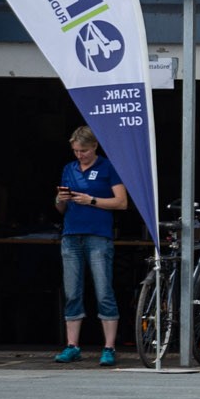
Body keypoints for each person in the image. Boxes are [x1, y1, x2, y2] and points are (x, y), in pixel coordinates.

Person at [55, 125, 130, 365]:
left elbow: (121, 203)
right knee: (72, 291)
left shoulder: (108, 167)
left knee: (103, 290)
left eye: (84, 151)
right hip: (71, 234)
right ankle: (72, 345)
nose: (80, 155)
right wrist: (60, 199)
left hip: (98, 235)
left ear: (95, 146)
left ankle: (109, 347)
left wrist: (92, 200)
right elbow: (60, 209)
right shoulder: (69, 168)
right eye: (76, 151)